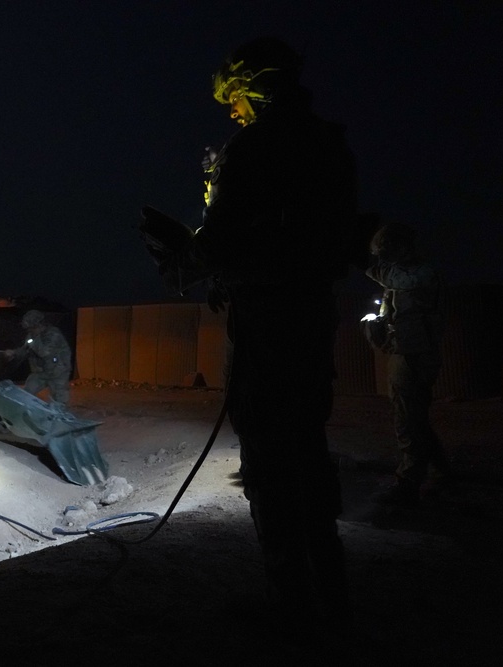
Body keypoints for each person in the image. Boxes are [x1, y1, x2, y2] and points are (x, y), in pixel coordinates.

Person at [139, 37, 358, 629]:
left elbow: (222, 241)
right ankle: (331, 594)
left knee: (267, 453)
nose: (232, 111)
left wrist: (181, 252)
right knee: (307, 447)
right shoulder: (328, 144)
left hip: (266, 322)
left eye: (234, 97)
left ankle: (292, 604)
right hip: (310, 318)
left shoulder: (255, 148)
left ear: (254, 85)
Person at [363, 221, 449, 506]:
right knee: (415, 419)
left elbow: (393, 278)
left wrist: (363, 261)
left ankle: (408, 483)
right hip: (406, 352)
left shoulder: (419, 275)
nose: (383, 258)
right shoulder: (407, 275)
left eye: (387, 251)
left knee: (407, 419)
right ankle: (440, 474)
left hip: (414, 356)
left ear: (403, 248)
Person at [4, 310, 72, 407]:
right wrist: (14, 353)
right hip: (40, 373)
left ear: (39, 324)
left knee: (59, 400)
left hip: (57, 373)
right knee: (26, 394)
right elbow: (26, 350)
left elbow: (44, 352)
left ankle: (60, 418)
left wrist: (34, 340)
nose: (29, 330)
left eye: (32, 328)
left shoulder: (53, 334)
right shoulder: (32, 335)